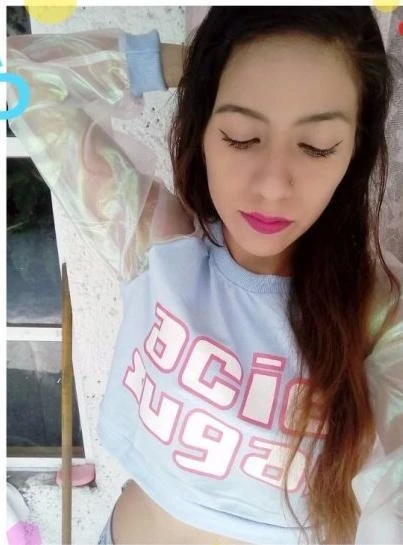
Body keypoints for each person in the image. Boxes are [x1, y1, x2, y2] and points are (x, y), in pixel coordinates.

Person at [7, 6, 403, 545]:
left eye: (316, 146)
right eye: (241, 136)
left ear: (354, 151)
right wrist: (193, 67)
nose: (272, 186)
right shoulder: (159, 245)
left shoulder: (380, 313)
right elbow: (19, 79)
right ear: (203, 128)